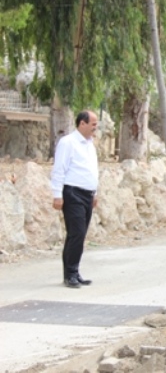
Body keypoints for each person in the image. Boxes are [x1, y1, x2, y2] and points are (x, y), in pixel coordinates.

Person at [51, 110, 99, 289]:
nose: (96, 127)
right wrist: (57, 195)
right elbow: (59, 169)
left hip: (87, 194)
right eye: (93, 124)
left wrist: (95, 192)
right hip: (72, 193)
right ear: (82, 124)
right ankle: (69, 273)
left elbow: (92, 170)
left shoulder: (90, 144)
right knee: (76, 232)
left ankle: (75, 271)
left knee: (80, 234)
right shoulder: (68, 143)